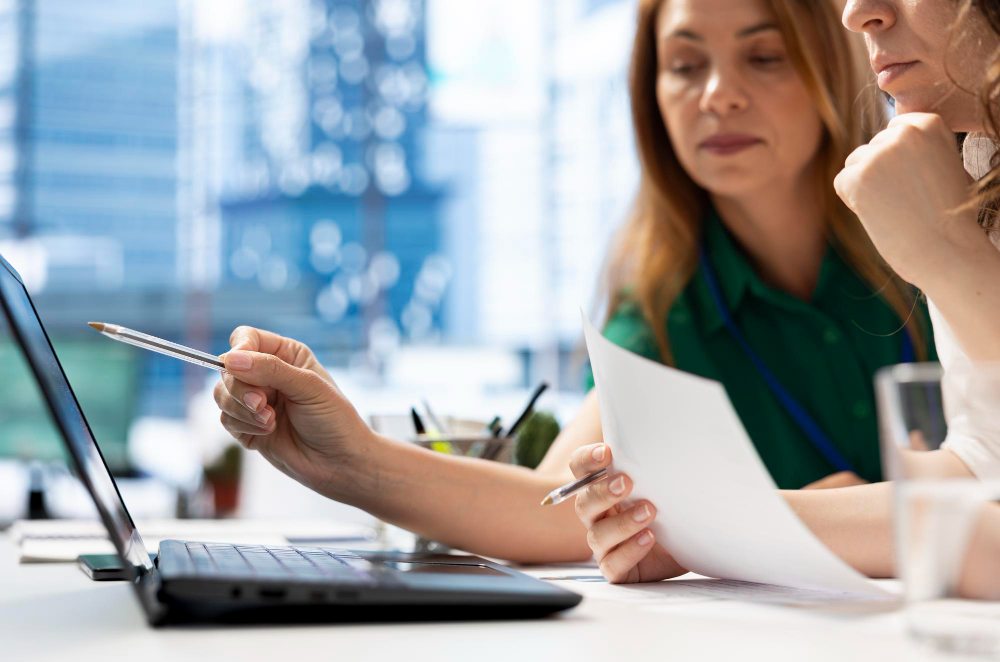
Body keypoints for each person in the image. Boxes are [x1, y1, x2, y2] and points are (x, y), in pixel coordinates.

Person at [212, 0, 930, 568]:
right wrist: (349, 456)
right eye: (684, 65)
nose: (718, 95)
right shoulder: (664, 311)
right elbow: (554, 507)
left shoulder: (940, 224)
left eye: (764, 56)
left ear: (833, 64)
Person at [571, 0, 1000, 591]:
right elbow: (983, 465)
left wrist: (949, 257)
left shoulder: (927, 197)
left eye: (766, 56)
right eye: (685, 65)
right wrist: (717, 528)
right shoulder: (967, 166)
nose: (856, 12)